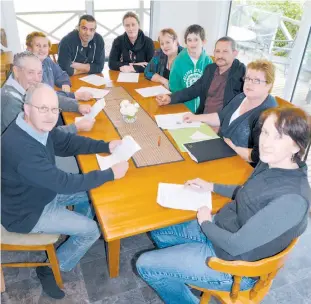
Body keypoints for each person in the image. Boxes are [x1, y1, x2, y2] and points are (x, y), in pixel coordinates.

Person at [136, 106, 311, 304]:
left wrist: (205, 223)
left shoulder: (292, 199)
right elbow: (249, 193)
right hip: (222, 229)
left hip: (234, 264)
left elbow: (235, 245)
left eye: (278, 137)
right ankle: (183, 275)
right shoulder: (272, 163)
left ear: (297, 147)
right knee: (159, 231)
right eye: (265, 132)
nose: (265, 142)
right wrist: (211, 186)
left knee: (146, 265)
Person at [1, 83, 129, 299]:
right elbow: (65, 183)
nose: (50, 116)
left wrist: (105, 146)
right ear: (27, 108)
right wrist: (110, 173)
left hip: (39, 192)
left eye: (53, 109)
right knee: (92, 230)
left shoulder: (32, 125)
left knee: (93, 195)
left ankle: (72, 228)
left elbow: (66, 142)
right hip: (26, 212)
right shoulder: (21, 148)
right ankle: (52, 266)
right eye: (43, 108)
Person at [183, 59, 278, 165]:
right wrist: (195, 118)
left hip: (241, 164)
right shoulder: (241, 97)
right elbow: (221, 117)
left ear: (269, 85)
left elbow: (260, 155)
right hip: (221, 151)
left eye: (256, 80)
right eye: (248, 78)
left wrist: (234, 149)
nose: (249, 84)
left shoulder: (269, 114)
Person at [1, 51, 94, 134]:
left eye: (39, 73)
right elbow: (38, 136)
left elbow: (49, 97)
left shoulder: (23, 85)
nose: (37, 79)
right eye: (30, 72)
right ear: (16, 71)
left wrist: (77, 106)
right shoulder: (10, 102)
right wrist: (75, 127)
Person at [156, 36, 245, 114]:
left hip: (222, 126)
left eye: (225, 51)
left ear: (235, 53)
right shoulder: (210, 69)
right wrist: (170, 98)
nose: (220, 55)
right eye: (217, 51)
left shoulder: (241, 72)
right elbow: (194, 89)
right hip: (202, 119)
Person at [26, 31, 92, 101]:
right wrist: (75, 95)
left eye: (44, 46)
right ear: (29, 48)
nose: (41, 49)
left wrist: (65, 83)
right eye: (37, 45)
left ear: (49, 48)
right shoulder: (28, 68)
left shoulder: (47, 61)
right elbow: (46, 96)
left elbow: (61, 74)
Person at [168, 24, 213, 113]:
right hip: (183, 108)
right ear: (185, 42)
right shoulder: (178, 61)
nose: (192, 44)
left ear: (203, 41)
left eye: (196, 40)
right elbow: (174, 87)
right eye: (189, 40)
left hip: (203, 110)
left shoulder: (209, 62)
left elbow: (211, 88)